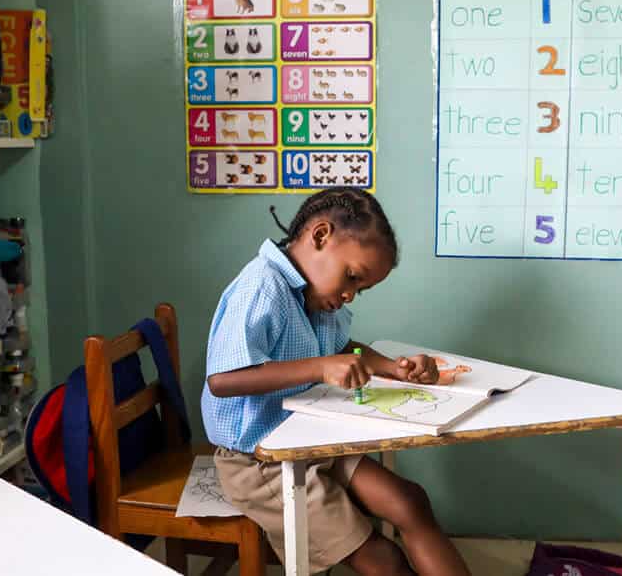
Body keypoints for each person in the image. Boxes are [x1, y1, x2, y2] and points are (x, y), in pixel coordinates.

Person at [201, 188, 471, 575]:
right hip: (260, 462)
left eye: (360, 289)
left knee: (410, 502)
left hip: (310, 439)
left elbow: (343, 348)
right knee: (384, 560)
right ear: (321, 236)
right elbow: (223, 380)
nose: (349, 295)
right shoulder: (262, 287)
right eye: (352, 278)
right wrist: (321, 367)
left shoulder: (317, 295)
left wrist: (392, 368)